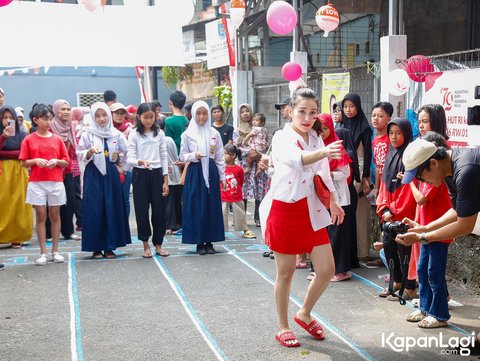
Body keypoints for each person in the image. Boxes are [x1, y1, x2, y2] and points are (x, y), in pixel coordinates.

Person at [259, 87, 344, 348]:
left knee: (327, 269)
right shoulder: (282, 137)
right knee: (285, 273)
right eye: (301, 112)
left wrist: (335, 200)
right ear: (290, 112)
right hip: (284, 209)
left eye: (312, 112)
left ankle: (304, 313)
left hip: (311, 210)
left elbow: (324, 173)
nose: (307, 118)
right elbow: (297, 160)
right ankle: (283, 326)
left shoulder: (316, 137)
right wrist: (324, 153)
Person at [402, 132, 453, 328]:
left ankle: (439, 314)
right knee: (423, 269)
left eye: (420, 175)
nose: (420, 179)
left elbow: (422, 199)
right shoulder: (430, 177)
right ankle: (426, 308)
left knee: (434, 272)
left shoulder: (438, 177)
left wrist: (424, 231)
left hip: (438, 233)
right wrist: (418, 226)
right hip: (426, 232)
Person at [77, 102, 131, 259]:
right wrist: (89, 152)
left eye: (104, 115)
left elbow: (127, 151)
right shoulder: (87, 133)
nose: (101, 119)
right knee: (95, 209)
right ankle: (95, 247)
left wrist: (121, 166)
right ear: (93, 117)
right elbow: (79, 153)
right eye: (98, 116)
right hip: (93, 174)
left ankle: (109, 247)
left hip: (111, 176)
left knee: (111, 208)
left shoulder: (116, 134)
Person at [19, 104, 69, 265]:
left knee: (55, 214)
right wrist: (35, 161)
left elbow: (66, 161)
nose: (48, 122)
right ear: (35, 120)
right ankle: (43, 253)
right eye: (44, 118)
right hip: (36, 181)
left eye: (50, 118)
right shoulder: (28, 139)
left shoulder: (57, 139)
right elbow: (23, 162)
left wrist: (56, 161)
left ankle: (55, 251)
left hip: (55, 181)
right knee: (40, 214)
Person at [376, 118, 417, 301]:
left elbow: (409, 188)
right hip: (389, 215)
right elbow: (384, 185)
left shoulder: (411, 157)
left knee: (405, 253)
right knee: (390, 248)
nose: (394, 137)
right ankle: (396, 282)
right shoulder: (390, 155)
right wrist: (383, 207)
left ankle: (409, 287)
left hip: (404, 215)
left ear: (406, 134)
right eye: (391, 133)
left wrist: (392, 210)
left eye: (399, 133)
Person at [179, 101, 226, 255]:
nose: (202, 116)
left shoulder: (214, 133)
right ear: (193, 114)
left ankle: (210, 241)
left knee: (211, 206)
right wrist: (194, 155)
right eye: (198, 113)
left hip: (211, 171)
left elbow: (219, 156)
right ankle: (199, 242)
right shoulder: (187, 134)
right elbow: (183, 155)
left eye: (204, 113)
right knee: (196, 206)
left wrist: (223, 176)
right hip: (195, 171)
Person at [127, 102, 170, 258]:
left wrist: (166, 180)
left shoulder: (160, 134)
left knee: (159, 211)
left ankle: (158, 244)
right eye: (145, 117)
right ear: (139, 117)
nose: (148, 120)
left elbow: (164, 156)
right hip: (140, 174)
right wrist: (140, 161)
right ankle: (145, 245)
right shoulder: (134, 134)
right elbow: (130, 157)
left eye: (152, 117)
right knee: (142, 211)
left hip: (157, 173)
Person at [317, 113, 354, 282]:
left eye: (325, 128)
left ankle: (341, 270)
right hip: (320, 196)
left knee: (337, 234)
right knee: (323, 234)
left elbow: (345, 173)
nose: (322, 132)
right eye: (319, 128)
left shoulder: (337, 149)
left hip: (338, 197)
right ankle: (323, 269)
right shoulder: (316, 148)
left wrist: (327, 174)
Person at [341, 93, 374, 266]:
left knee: (359, 214)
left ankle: (361, 252)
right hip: (343, 172)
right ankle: (349, 251)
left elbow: (367, 153)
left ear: (358, 107)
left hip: (358, 173)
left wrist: (365, 176)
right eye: (345, 106)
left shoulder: (364, 128)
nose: (348, 110)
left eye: (352, 106)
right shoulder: (343, 124)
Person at [0, 105, 32, 249]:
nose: (8, 121)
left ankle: (17, 237)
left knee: (19, 203)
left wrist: (4, 153)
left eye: (11, 118)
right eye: (4, 118)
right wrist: (3, 137)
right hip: (2, 170)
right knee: (3, 203)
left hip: (19, 171)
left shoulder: (21, 134)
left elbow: (23, 153)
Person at [233, 103, 269, 227]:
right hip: (246, 163)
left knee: (260, 190)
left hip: (259, 161)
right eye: (242, 112)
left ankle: (258, 218)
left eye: (247, 111)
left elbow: (266, 144)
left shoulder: (260, 128)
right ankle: (241, 219)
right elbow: (237, 147)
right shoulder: (237, 130)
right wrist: (250, 152)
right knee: (244, 191)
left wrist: (258, 154)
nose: (245, 114)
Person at [51, 99, 82, 241]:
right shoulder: (50, 127)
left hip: (68, 169)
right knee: (52, 202)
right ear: (55, 111)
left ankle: (68, 231)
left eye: (68, 109)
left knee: (69, 201)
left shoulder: (70, 126)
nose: (66, 112)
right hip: (52, 169)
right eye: (62, 109)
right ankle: (49, 232)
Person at [221, 144, 256, 239]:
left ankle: (245, 230)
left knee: (240, 212)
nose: (223, 156)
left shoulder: (238, 169)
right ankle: (220, 230)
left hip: (236, 194)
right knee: (222, 213)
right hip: (223, 194)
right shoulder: (221, 168)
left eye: (225, 154)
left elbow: (240, 181)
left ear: (233, 156)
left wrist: (236, 190)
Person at [159, 120, 183, 235]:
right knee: (175, 200)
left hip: (163, 173)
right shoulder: (169, 140)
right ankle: (176, 224)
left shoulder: (157, 139)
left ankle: (169, 225)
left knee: (167, 201)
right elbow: (175, 156)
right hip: (173, 171)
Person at [110, 102, 133, 216]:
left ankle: (125, 225)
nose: (119, 116)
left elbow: (131, 150)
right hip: (110, 168)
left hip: (125, 168)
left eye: (122, 114)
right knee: (111, 198)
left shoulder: (129, 130)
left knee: (124, 198)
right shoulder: (106, 130)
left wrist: (124, 168)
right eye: (116, 113)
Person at [371, 102, 393, 199]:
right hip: (382, 185)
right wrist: (377, 187)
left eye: (380, 116)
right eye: (373, 115)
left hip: (391, 183)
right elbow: (377, 166)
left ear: (388, 119)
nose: (375, 118)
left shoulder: (391, 138)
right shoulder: (375, 140)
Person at [242, 112, 268, 178]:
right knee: (258, 160)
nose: (254, 122)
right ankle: (258, 170)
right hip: (262, 149)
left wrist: (244, 140)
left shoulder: (256, 129)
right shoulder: (265, 129)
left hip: (255, 148)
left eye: (256, 120)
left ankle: (248, 168)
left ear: (262, 123)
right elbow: (267, 138)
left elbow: (250, 135)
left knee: (249, 158)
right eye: (253, 120)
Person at [165, 91, 188, 155]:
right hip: (184, 156)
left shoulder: (168, 121)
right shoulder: (186, 120)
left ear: (170, 102)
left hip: (173, 156)